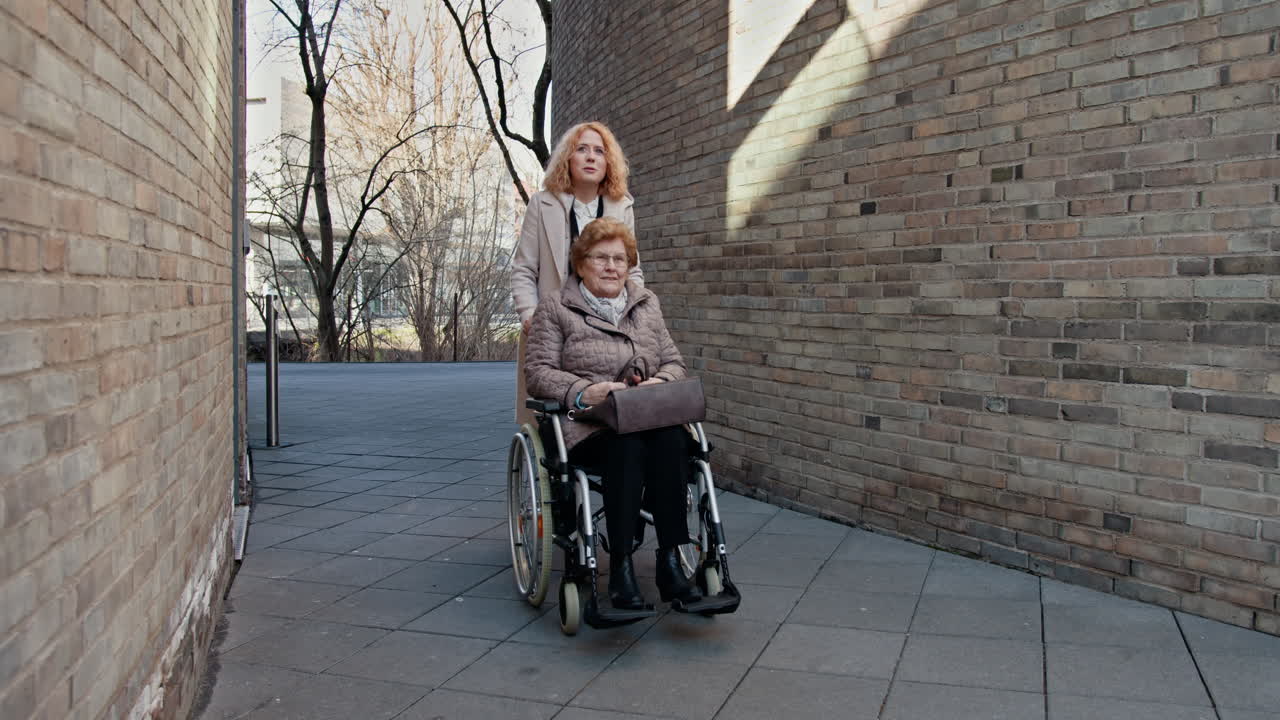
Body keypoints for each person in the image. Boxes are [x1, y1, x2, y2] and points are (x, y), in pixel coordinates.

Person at [524, 217, 701, 611]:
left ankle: (670, 561)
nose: (611, 266)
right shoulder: (556, 306)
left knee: (673, 440)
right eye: (600, 257)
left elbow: (674, 361)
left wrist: (663, 381)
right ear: (581, 263)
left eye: (620, 258)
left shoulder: (647, 303)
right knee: (626, 445)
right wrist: (584, 391)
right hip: (589, 425)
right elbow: (537, 373)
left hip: (648, 414)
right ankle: (620, 566)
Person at [511, 122, 642, 424]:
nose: (591, 157)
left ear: (609, 162)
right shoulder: (542, 205)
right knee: (559, 407)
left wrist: (635, 316)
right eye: (582, 149)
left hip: (608, 325)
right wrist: (530, 313)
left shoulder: (621, 206)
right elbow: (524, 269)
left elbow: (632, 271)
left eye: (599, 151)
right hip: (554, 325)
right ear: (568, 158)